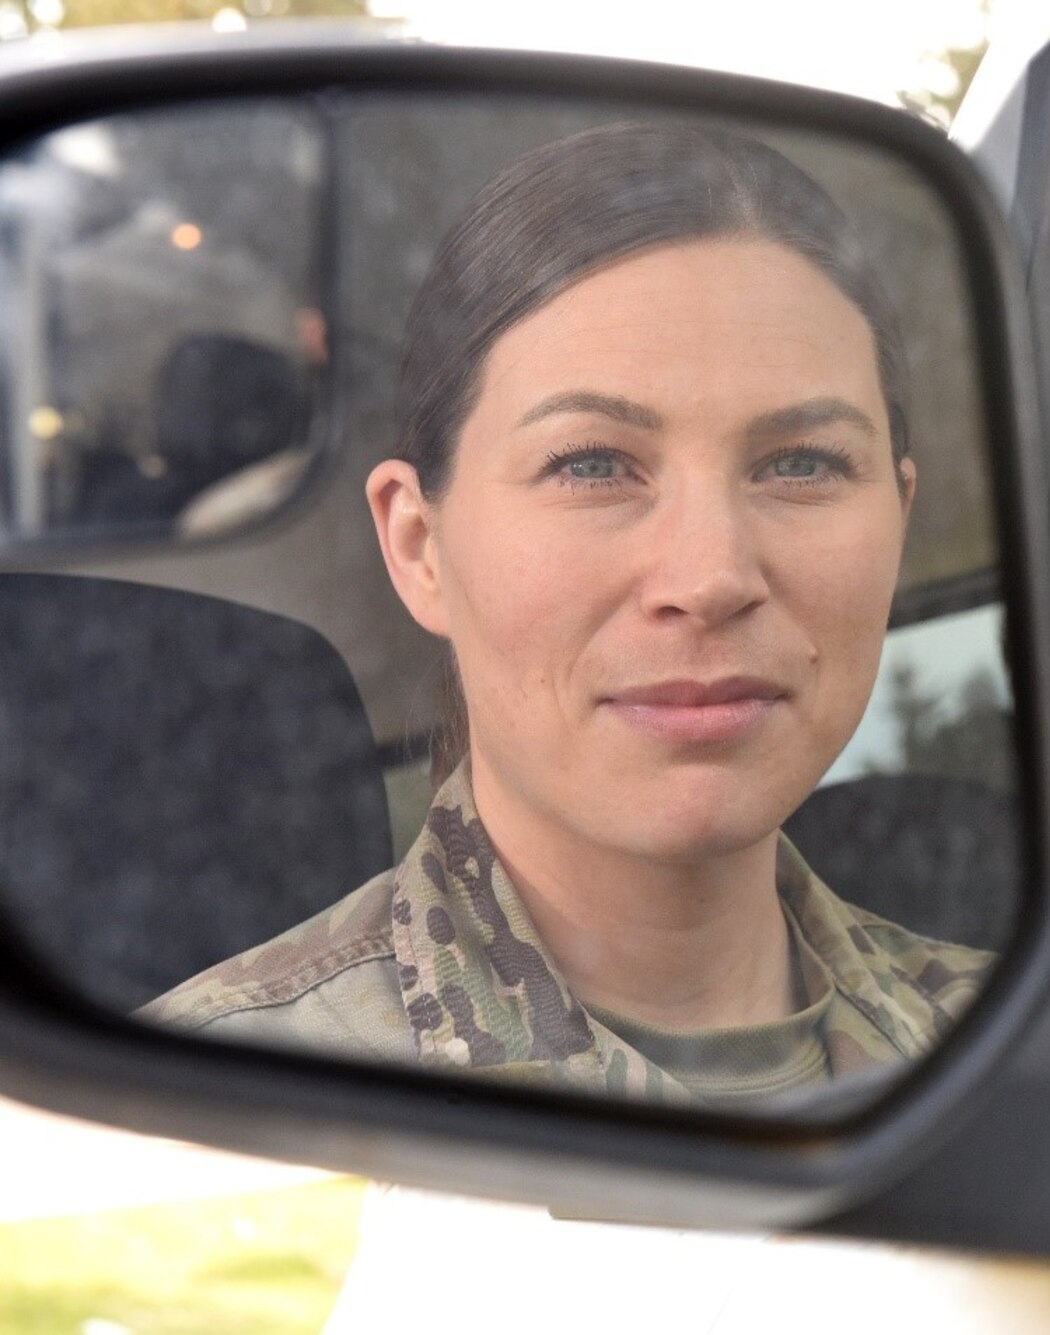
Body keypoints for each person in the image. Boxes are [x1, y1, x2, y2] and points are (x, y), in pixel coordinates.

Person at [143, 122, 994, 1107]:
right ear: (418, 547)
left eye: (800, 463)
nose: (710, 575)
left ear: (899, 513)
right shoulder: (203, 1120)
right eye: (590, 465)